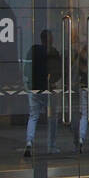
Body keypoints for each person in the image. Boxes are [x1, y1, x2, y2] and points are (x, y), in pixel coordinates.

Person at [23, 29, 62, 158]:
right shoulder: (52, 52)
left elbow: (26, 69)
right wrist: (52, 82)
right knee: (52, 117)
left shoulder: (32, 51)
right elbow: (57, 71)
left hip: (33, 88)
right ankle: (52, 145)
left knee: (33, 116)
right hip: (47, 89)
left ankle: (29, 142)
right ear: (50, 39)